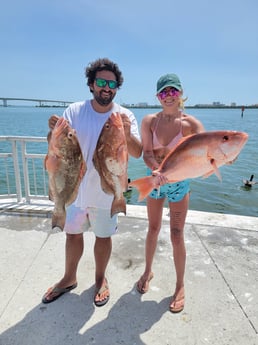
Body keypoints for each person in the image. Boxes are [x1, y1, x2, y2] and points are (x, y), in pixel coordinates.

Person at [42, 58, 142, 307]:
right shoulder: (74, 111)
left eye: (112, 83)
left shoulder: (125, 115)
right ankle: (68, 278)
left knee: (103, 237)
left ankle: (100, 279)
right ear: (90, 84)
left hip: (107, 194)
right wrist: (52, 130)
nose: (106, 87)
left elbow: (138, 152)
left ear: (117, 87)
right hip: (75, 191)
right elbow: (54, 144)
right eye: (101, 82)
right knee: (72, 236)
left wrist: (127, 133)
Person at [136, 73, 205, 313]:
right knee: (152, 229)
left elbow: (204, 157)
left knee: (177, 234)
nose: (168, 96)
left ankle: (179, 286)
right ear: (157, 96)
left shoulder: (192, 125)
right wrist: (156, 170)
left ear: (180, 93)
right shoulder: (149, 122)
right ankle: (147, 271)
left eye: (173, 91)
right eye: (163, 92)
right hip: (154, 181)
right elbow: (145, 152)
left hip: (178, 185)